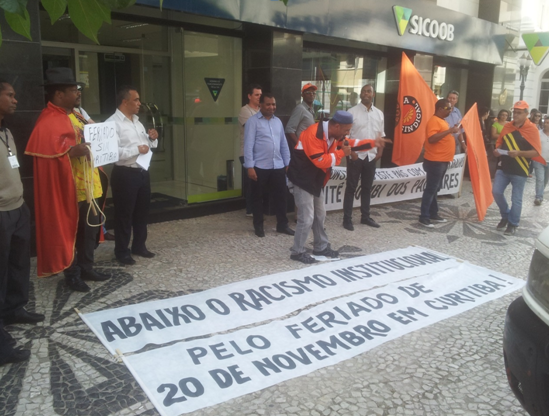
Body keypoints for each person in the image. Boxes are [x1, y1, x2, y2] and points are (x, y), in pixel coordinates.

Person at [25, 68, 109, 292]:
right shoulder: (48, 119)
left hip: (90, 184)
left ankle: (87, 267)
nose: (78, 93)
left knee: (89, 229)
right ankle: (72, 274)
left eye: (77, 89)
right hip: (69, 188)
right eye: (73, 90)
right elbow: (50, 154)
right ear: (59, 95)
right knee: (69, 231)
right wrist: (72, 151)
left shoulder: (77, 114)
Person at [287, 110, 389, 264]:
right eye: (346, 130)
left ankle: (320, 247)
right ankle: (297, 251)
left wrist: (373, 143)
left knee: (320, 214)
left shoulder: (336, 134)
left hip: (315, 179)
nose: (348, 134)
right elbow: (320, 160)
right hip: (302, 179)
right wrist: (341, 154)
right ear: (336, 126)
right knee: (307, 218)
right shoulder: (313, 134)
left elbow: (351, 144)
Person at [0, 79, 45, 366]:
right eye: (10, 95)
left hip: (18, 208)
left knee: (18, 265)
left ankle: (14, 308)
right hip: (1, 213)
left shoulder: (6, 131)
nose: (16, 100)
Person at [106, 85, 159, 265]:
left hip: (142, 172)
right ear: (124, 101)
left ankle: (139, 246)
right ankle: (122, 251)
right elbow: (111, 152)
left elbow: (148, 145)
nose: (139, 103)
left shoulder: (137, 121)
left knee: (142, 213)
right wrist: (137, 149)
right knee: (124, 214)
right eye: (136, 100)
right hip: (125, 173)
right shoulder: (112, 123)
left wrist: (152, 138)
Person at [244, 93, 293, 238]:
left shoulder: (277, 121)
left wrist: (287, 162)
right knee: (258, 198)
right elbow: (248, 145)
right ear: (260, 105)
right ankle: (258, 226)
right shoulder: (253, 122)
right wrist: (250, 166)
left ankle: (282, 225)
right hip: (259, 166)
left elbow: (283, 143)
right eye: (268, 104)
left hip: (277, 165)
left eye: (273, 104)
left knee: (281, 197)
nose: (272, 107)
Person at [493, 100, 543, 236]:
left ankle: (513, 223)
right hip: (503, 167)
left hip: (520, 169)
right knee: (496, 192)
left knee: (516, 198)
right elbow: (499, 143)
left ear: (526, 114)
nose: (515, 115)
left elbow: (536, 152)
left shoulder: (532, 129)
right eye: (514, 112)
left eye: (519, 112)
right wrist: (497, 150)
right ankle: (505, 215)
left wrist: (519, 153)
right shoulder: (508, 126)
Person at [342, 84, 385, 231]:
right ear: (360, 94)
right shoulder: (351, 112)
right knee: (351, 188)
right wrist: (352, 153)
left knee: (367, 188)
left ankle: (365, 217)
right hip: (356, 156)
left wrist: (380, 152)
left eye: (368, 91)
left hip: (371, 156)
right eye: (363, 91)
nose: (365, 94)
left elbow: (380, 135)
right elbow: (345, 136)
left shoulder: (379, 114)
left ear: (373, 94)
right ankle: (347, 219)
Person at [418, 99, 460, 228]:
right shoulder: (434, 121)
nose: (450, 110)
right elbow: (431, 139)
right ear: (440, 109)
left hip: (442, 160)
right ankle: (424, 217)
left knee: (436, 188)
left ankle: (433, 213)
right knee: (431, 189)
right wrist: (449, 131)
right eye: (448, 108)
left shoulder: (442, 121)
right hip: (435, 161)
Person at [238, 84, 262, 217]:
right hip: (246, 152)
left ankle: (255, 208)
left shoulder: (261, 111)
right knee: (251, 181)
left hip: (259, 152)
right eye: (256, 94)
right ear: (249, 96)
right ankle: (250, 209)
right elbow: (251, 130)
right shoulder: (245, 111)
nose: (259, 97)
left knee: (257, 182)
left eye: (260, 95)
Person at [285, 83, 317, 148]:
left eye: (313, 92)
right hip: (302, 150)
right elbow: (289, 129)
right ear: (302, 95)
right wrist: (300, 146)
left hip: (310, 148)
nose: (311, 94)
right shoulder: (300, 109)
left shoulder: (311, 110)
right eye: (308, 92)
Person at [533, 117, 549, 206]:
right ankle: (538, 197)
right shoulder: (538, 134)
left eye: (548, 122)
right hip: (539, 160)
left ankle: (540, 193)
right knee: (540, 179)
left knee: (545, 180)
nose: (546, 124)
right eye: (545, 122)